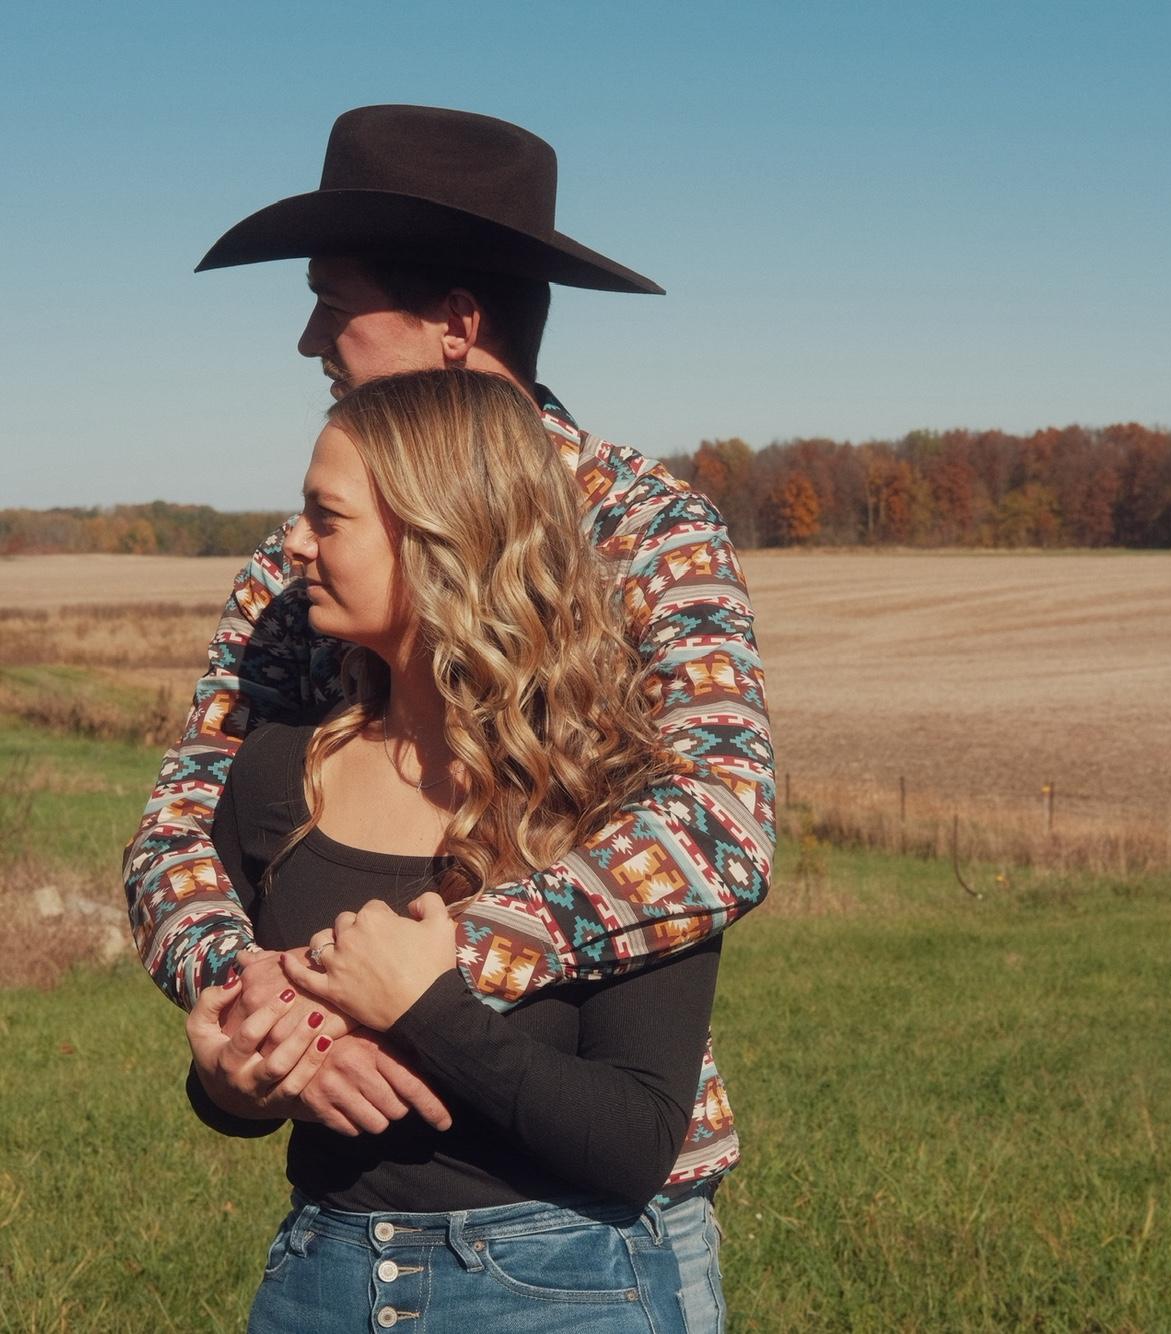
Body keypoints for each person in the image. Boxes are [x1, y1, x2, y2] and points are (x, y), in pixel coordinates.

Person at [122, 105, 771, 1312]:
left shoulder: (643, 526)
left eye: (336, 303)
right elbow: (180, 828)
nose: (308, 336)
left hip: (594, 1217)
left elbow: (715, 825)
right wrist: (265, 1010)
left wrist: (418, 975)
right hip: (349, 1218)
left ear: (457, 327)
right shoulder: (291, 569)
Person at [186, 368, 725, 1330]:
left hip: (559, 1286)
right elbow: (235, 1084)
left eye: (326, 518)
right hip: (318, 1275)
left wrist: (425, 1010)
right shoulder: (277, 775)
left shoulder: (610, 798)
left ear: (439, 536)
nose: (293, 545)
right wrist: (234, 1082)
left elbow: (636, 1139)